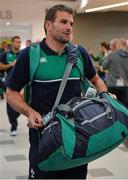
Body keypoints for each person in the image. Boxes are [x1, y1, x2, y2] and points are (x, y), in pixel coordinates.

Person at [6, 4, 107, 179]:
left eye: (71, 23)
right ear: (48, 25)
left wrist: (104, 96)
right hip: (43, 140)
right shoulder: (30, 55)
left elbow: (97, 80)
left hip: (77, 139)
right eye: (63, 22)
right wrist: (29, 112)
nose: (69, 27)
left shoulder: (80, 54)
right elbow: (11, 92)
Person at [0, 36, 21, 136]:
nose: (19, 44)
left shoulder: (23, 54)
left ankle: (15, 117)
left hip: (21, 84)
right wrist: (11, 65)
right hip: (8, 83)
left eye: (20, 42)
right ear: (12, 43)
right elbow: (0, 66)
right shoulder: (5, 54)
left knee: (20, 105)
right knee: (10, 105)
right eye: (17, 42)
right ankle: (14, 126)